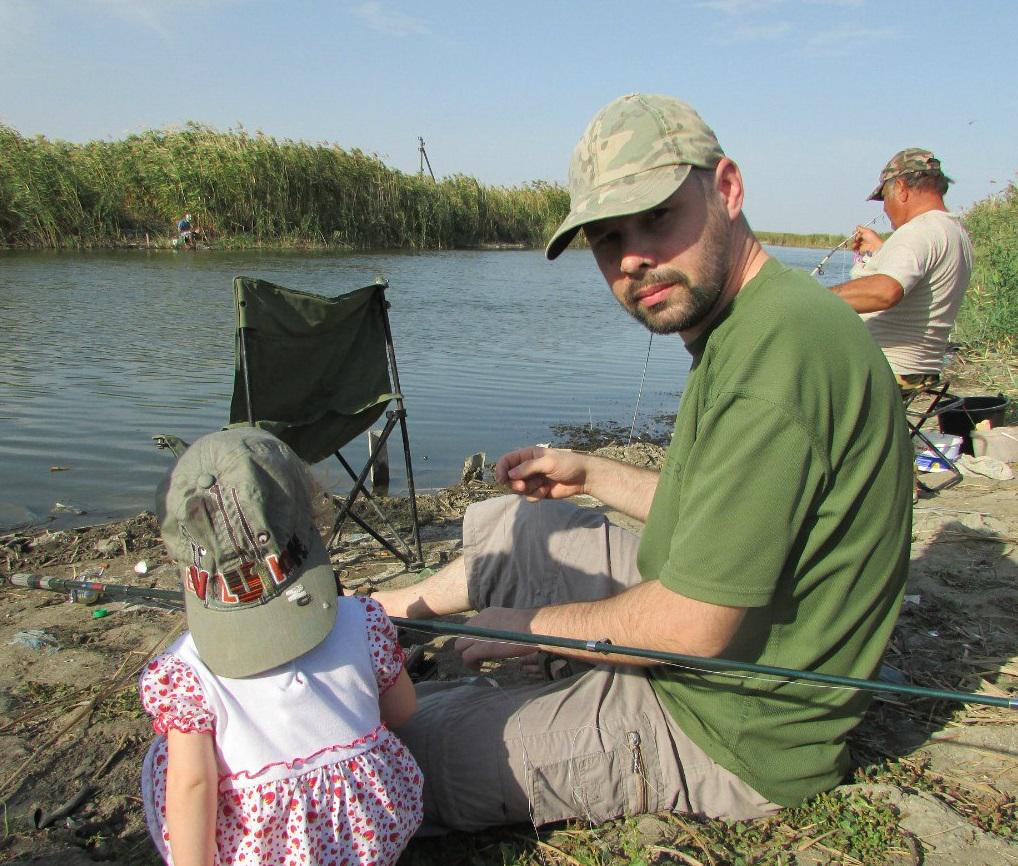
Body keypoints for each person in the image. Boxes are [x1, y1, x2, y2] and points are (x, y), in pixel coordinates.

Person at [375, 93, 912, 832]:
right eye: (607, 237)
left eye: (658, 217)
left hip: (724, 724)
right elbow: (729, 518)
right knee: (519, 525)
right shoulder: (753, 318)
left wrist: (531, 627)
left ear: (726, 189)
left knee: (387, 763)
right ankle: (375, 621)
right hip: (714, 634)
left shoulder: (777, 358)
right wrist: (590, 474)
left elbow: (694, 627)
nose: (632, 257)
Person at [139, 427, 422, 865]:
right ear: (312, 520)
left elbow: (193, 786)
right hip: (371, 839)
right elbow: (402, 710)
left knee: (168, 759)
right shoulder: (362, 619)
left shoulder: (185, 670)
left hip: (262, 852)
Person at [830, 148, 974, 390]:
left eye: (885, 198)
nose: (885, 209)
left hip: (880, 374)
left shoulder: (919, 231)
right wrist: (882, 251)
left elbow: (886, 291)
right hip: (917, 372)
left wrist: (813, 297)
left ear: (901, 189)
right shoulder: (953, 231)